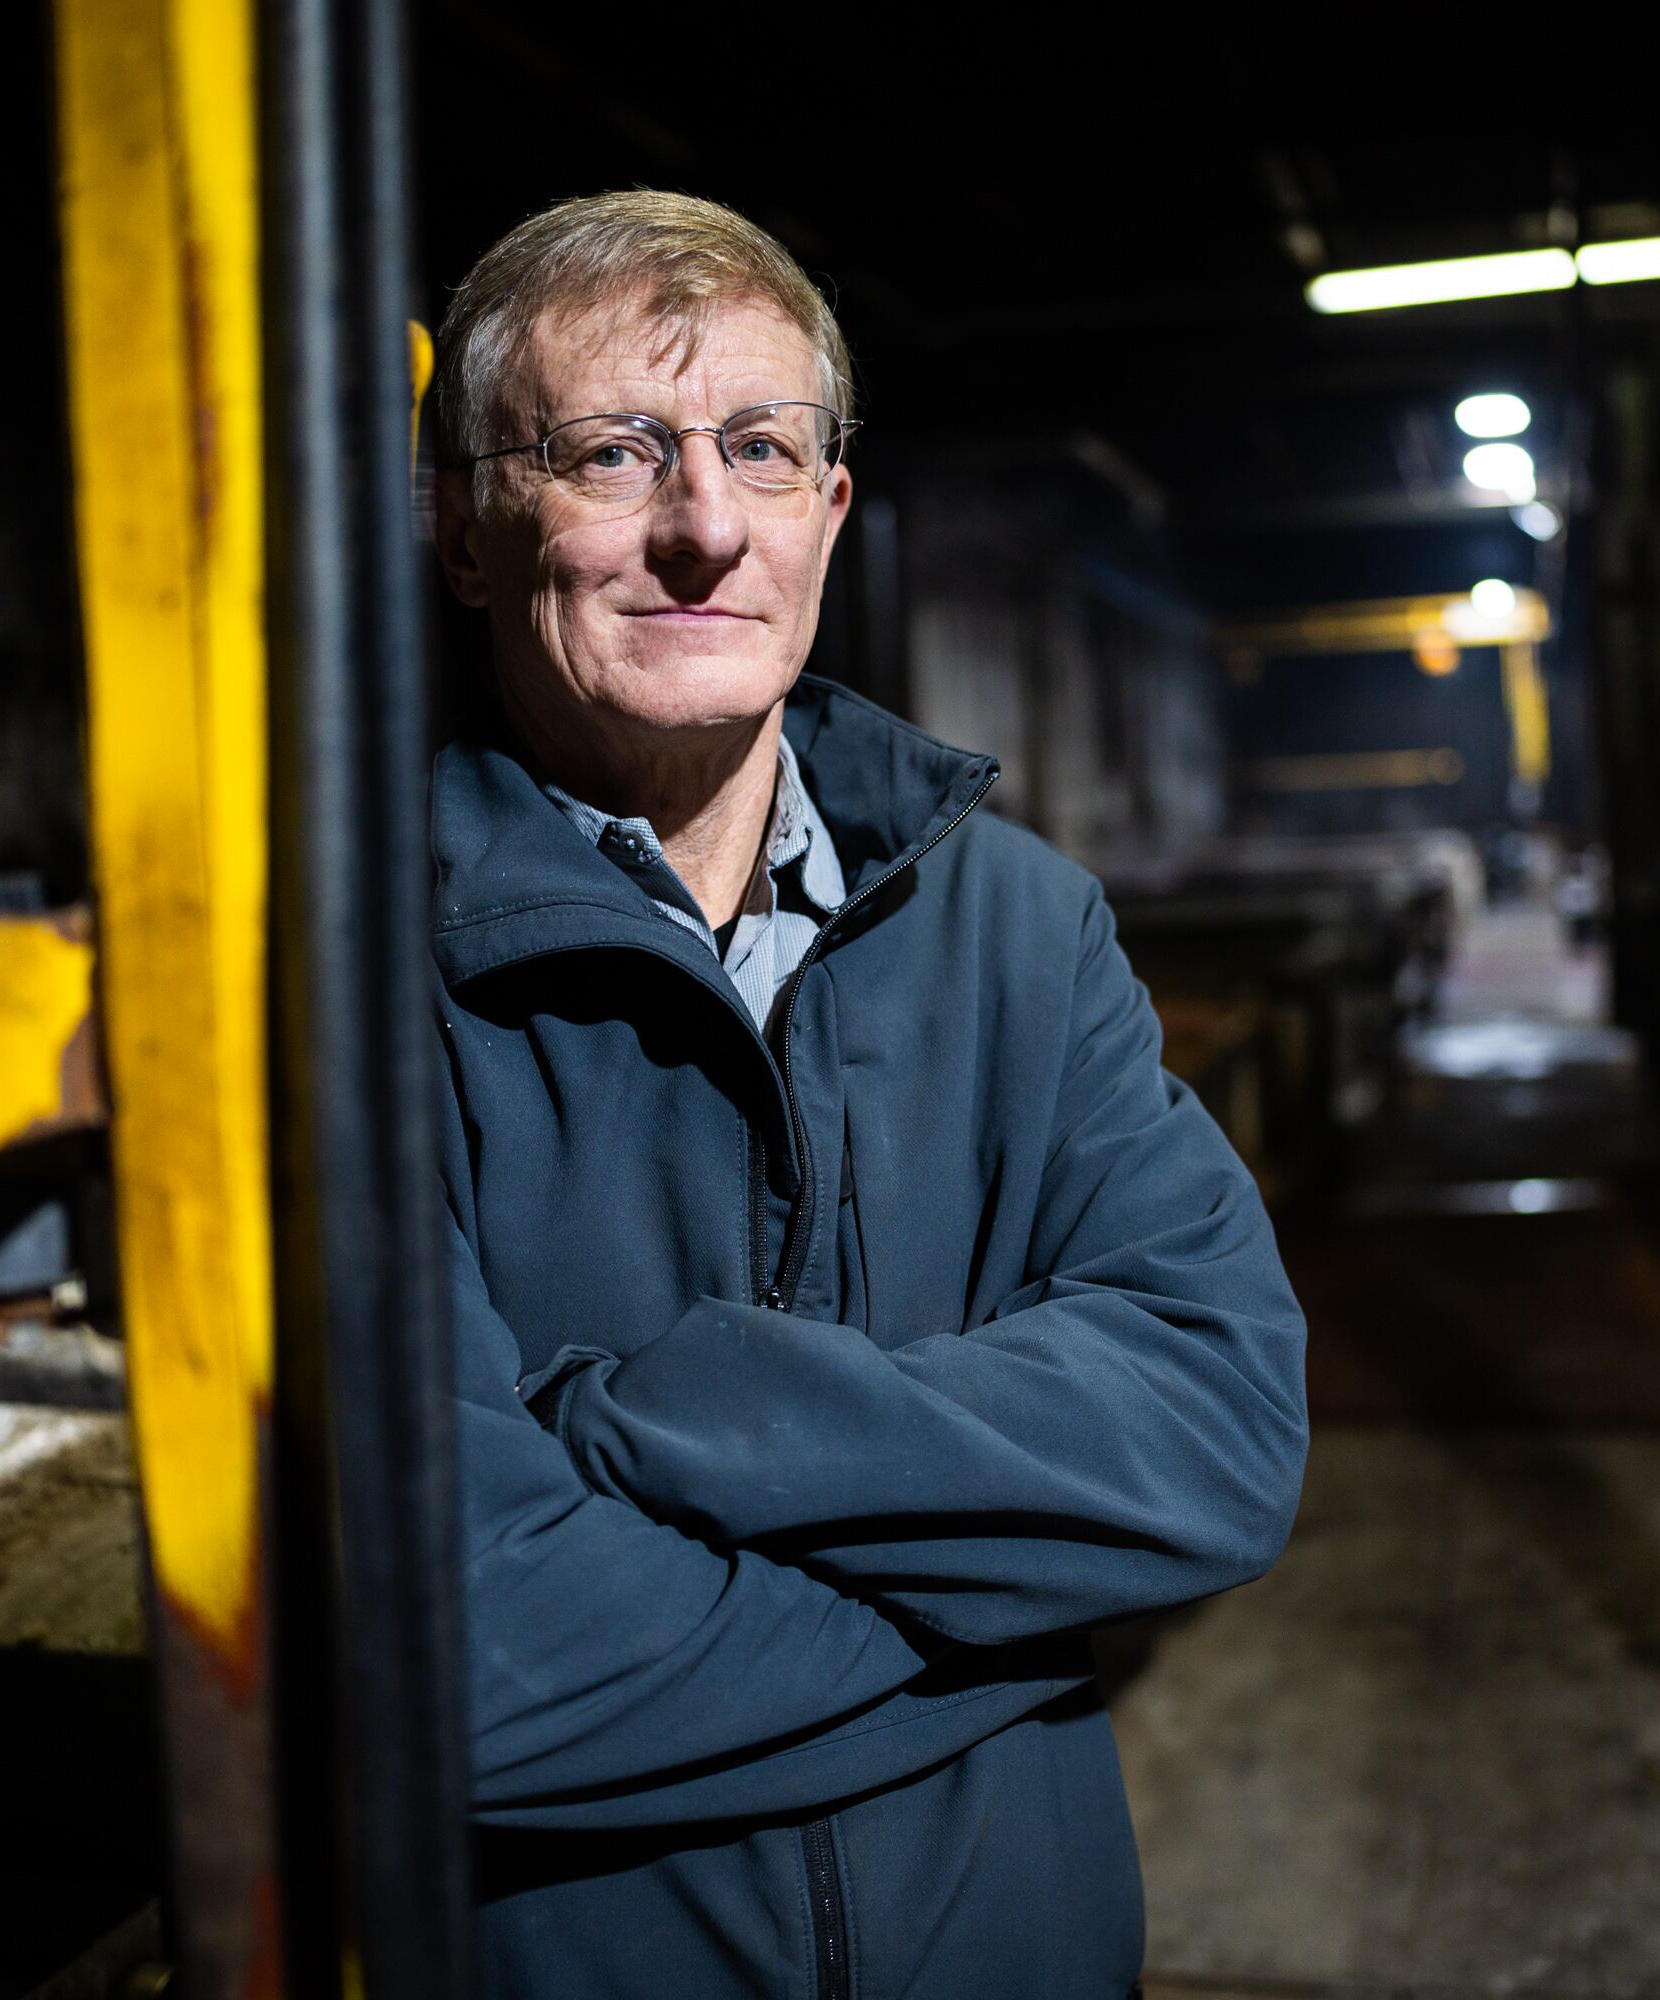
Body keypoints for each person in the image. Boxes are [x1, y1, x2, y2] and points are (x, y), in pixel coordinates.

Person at [427, 189, 1309, 2000]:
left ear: (832, 509)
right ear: (461, 526)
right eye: (613, 453)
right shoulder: (351, 981)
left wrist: (654, 1424)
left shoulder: (1021, 926)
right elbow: (464, 1659)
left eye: (764, 447)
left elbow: (1223, 1431)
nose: (704, 526)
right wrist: (1017, 1621)